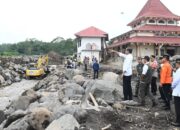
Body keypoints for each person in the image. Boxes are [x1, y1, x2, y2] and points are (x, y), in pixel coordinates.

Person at [171, 59, 180, 127]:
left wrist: (172, 87)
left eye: (176, 64)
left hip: (178, 92)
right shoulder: (177, 71)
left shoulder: (179, 71)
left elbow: (175, 81)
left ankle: (178, 122)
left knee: (178, 107)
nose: (175, 65)